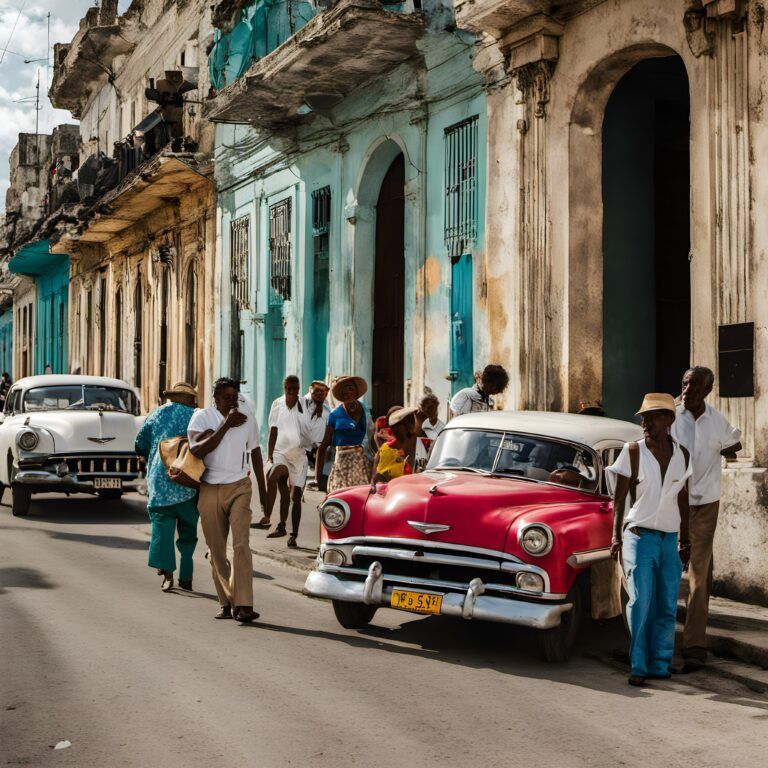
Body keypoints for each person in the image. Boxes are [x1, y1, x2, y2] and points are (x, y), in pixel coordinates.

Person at [607, 393, 692, 687]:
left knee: (667, 603)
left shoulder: (683, 455)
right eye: (643, 417)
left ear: (668, 420)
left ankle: (660, 663)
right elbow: (619, 500)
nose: (645, 422)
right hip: (638, 536)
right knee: (641, 601)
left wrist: (686, 540)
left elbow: (682, 496)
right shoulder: (632, 452)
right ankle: (639, 664)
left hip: (669, 538)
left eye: (652, 417)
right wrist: (615, 536)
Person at [671, 366, 742, 670]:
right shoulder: (670, 415)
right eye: (685, 385)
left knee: (699, 575)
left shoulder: (717, 420)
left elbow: (733, 445)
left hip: (706, 504)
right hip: (672, 502)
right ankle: (655, 639)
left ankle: (694, 644)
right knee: (668, 569)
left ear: (708, 391)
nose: (688, 392)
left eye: (695, 388)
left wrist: (728, 449)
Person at [188, 377, 267, 623]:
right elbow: (196, 449)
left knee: (241, 544)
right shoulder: (202, 417)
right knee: (217, 551)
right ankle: (226, 601)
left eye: (235, 397)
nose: (232, 402)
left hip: (239, 487)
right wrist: (226, 424)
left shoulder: (247, 418)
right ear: (216, 399)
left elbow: (255, 452)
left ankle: (244, 605)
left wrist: (264, 495)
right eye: (226, 398)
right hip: (210, 489)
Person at [134, 382, 199, 592]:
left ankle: (168, 576)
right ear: (190, 399)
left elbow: (139, 443)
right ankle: (187, 576)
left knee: (163, 531)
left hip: (161, 482)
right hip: (188, 481)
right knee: (188, 532)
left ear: (171, 397)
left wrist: (151, 456)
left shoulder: (157, 413)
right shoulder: (197, 415)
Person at [263, 375, 310, 547]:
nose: (291, 391)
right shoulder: (277, 404)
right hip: (280, 452)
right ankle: (278, 523)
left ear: (299, 388)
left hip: (299, 456)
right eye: (288, 388)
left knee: (295, 496)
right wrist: (270, 456)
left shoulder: (305, 405)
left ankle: (293, 535)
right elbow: (273, 431)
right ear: (284, 388)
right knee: (275, 478)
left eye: (295, 388)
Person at [316, 375, 371, 494]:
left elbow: (371, 436)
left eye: (351, 389)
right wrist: (317, 478)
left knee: (361, 498)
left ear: (356, 392)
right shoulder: (334, 415)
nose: (348, 393)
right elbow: (324, 445)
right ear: (341, 396)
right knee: (341, 499)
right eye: (344, 391)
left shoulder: (365, 410)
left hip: (362, 465)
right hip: (341, 465)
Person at [371, 406, 427, 484]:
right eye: (393, 426)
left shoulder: (420, 444)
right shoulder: (384, 452)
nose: (410, 424)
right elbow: (375, 482)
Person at [303, 380, 331, 488]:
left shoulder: (326, 406)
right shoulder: (304, 402)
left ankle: (317, 480)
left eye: (323, 391)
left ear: (327, 393)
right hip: (305, 439)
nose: (320, 393)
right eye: (317, 390)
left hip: (320, 440)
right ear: (310, 390)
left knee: (321, 451)